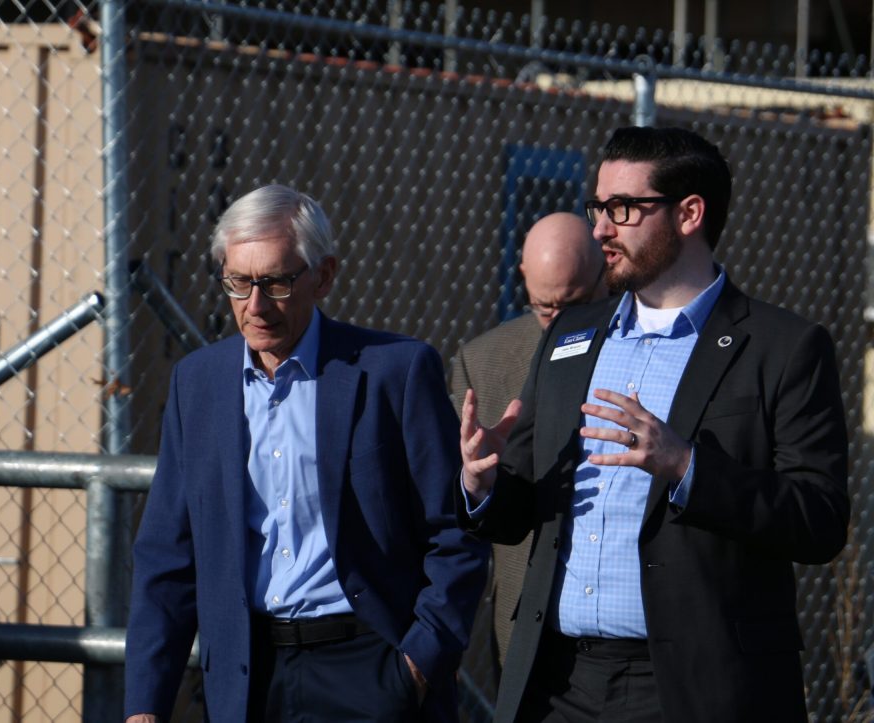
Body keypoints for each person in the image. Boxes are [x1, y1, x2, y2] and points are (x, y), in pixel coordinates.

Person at [458, 126, 849, 723]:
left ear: (689, 213)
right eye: (597, 207)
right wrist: (484, 485)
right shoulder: (570, 335)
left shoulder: (783, 348)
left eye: (623, 209)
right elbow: (519, 510)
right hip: (557, 683)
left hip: (693, 686)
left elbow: (818, 520)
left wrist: (687, 466)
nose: (600, 230)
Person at [124, 184, 488, 723]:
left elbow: (455, 534)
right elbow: (167, 559)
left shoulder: (395, 372)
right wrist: (144, 707)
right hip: (247, 675)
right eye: (239, 282)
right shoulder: (196, 384)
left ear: (323, 276)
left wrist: (414, 665)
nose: (255, 305)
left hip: (369, 666)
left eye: (275, 282)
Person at [450, 211, 607, 675]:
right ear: (522, 276)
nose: (557, 323)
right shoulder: (483, 363)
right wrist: (475, 483)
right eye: (544, 309)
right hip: (525, 627)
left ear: (606, 275)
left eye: (574, 305)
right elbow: (457, 519)